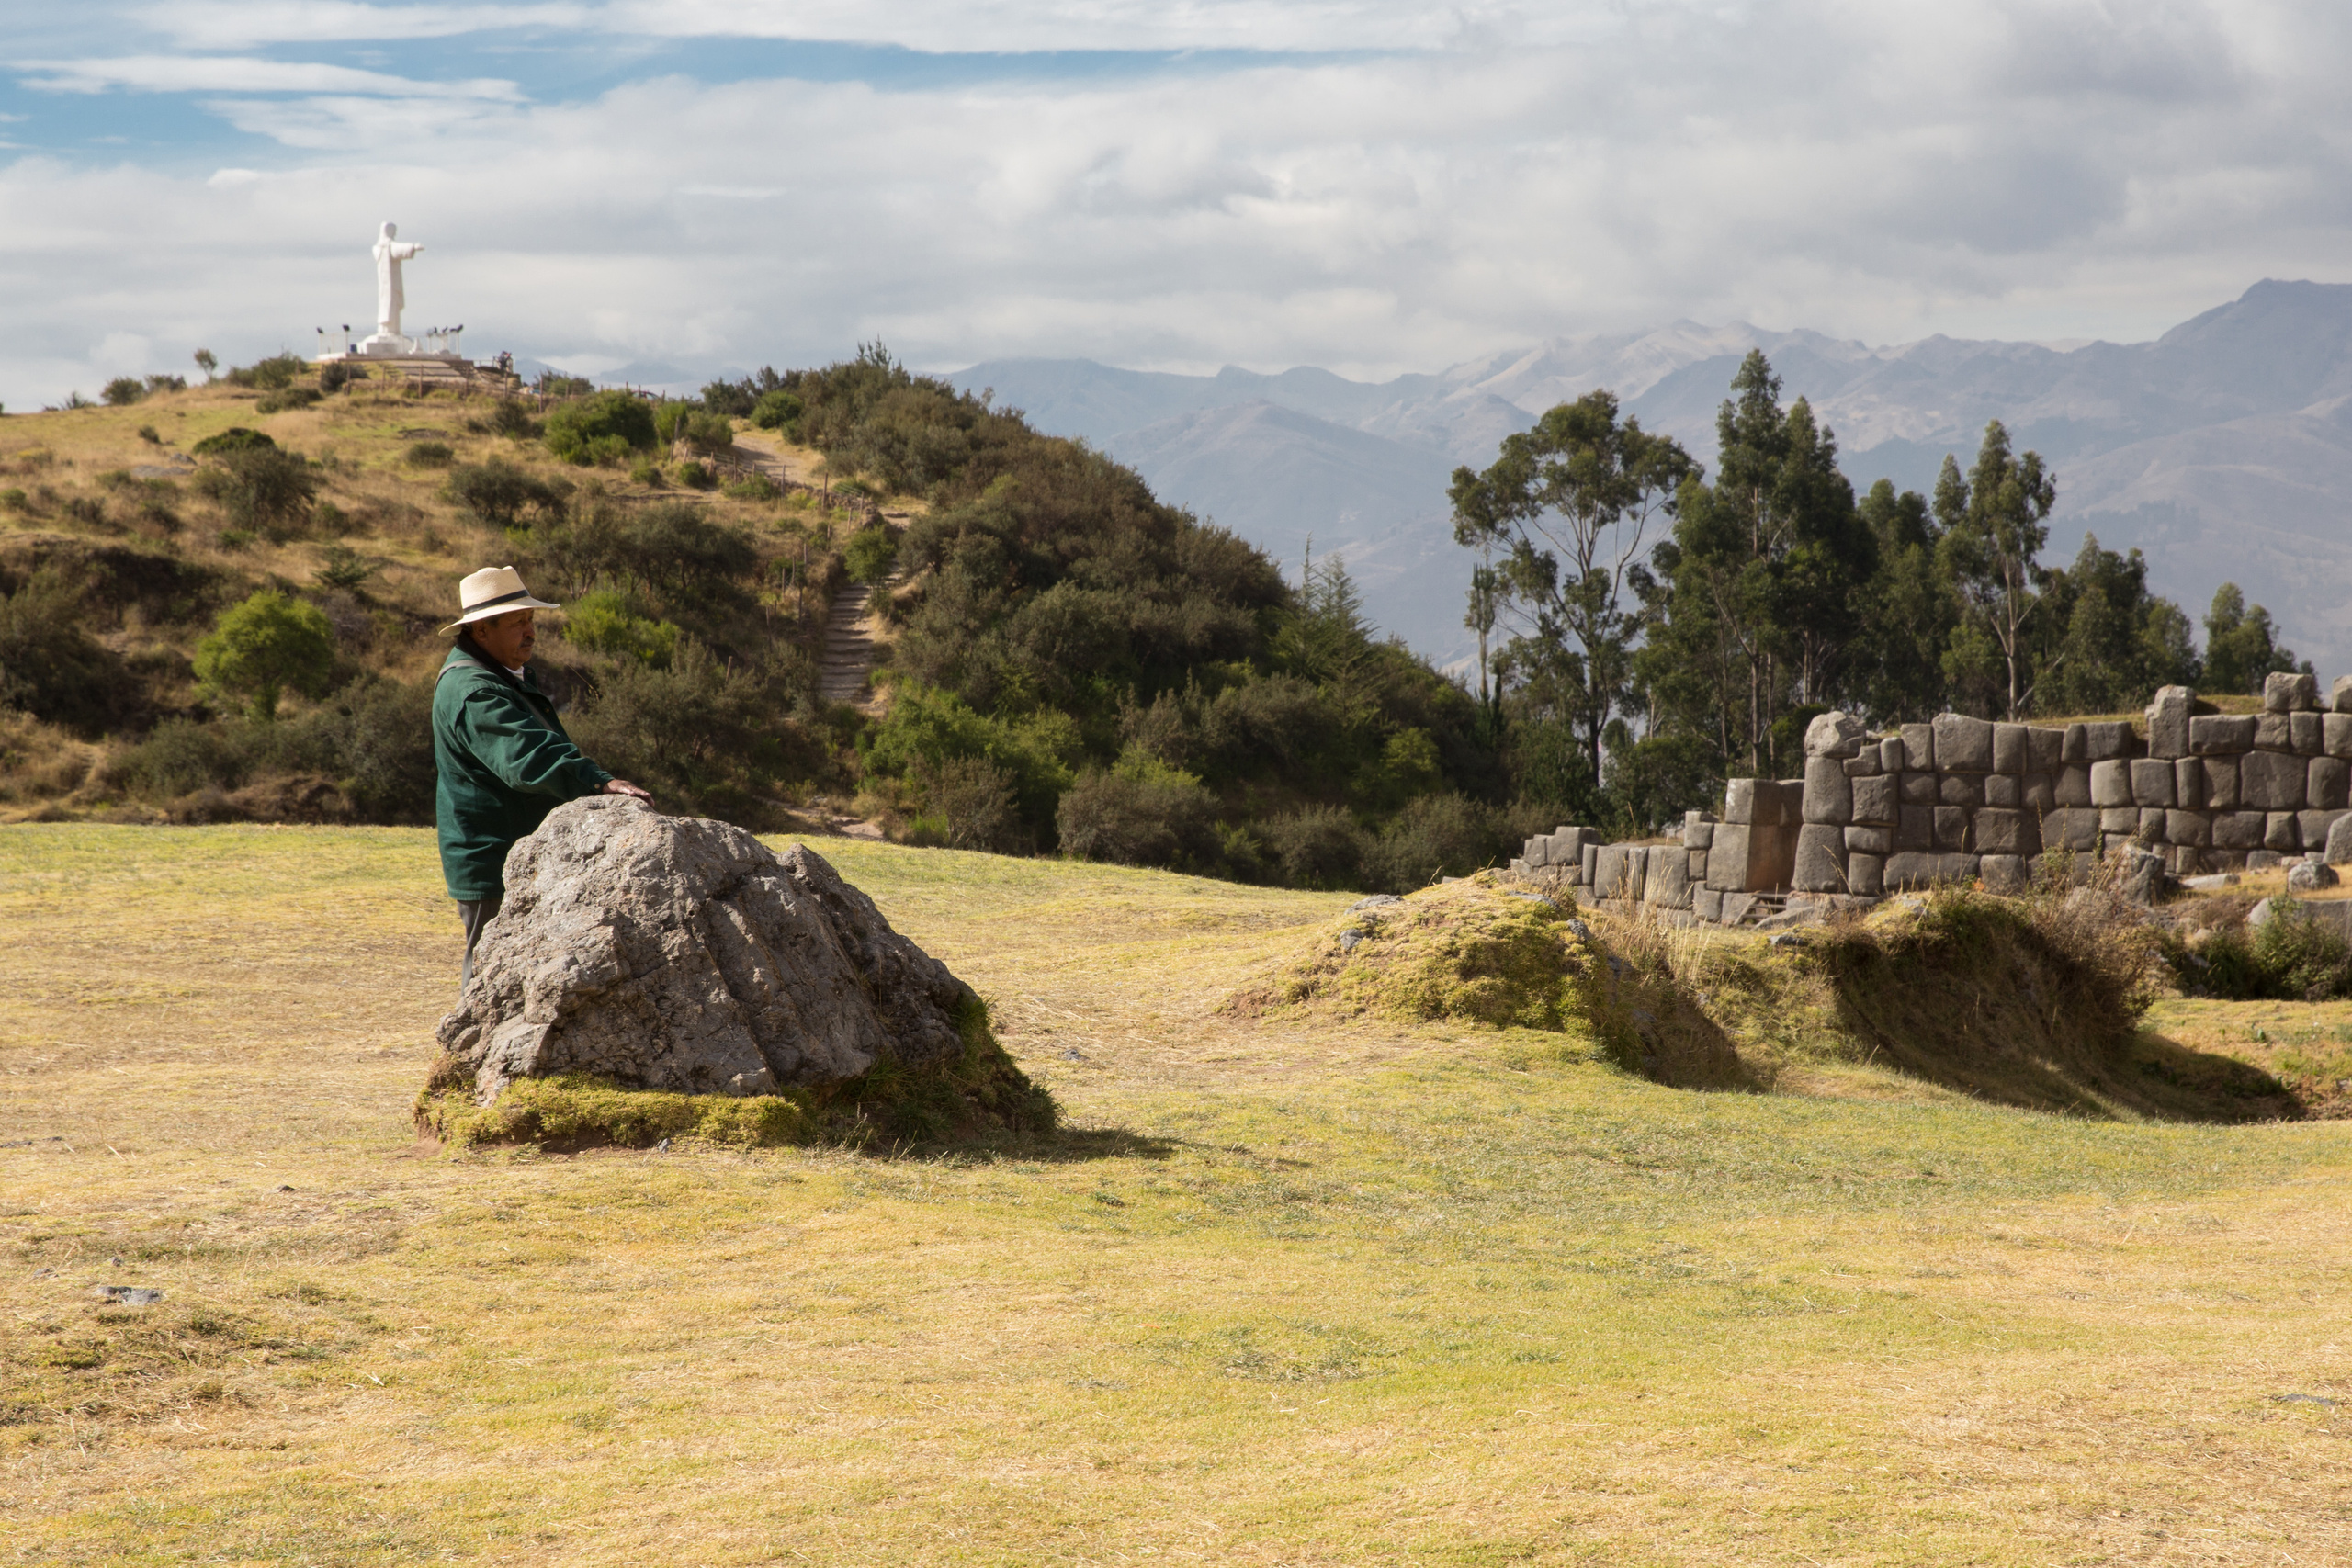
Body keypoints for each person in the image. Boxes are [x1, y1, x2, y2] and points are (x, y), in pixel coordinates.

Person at [434, 566, 651, 988]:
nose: (530, 632)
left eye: (531, 621)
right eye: (518, 623)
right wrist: (597, 781)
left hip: (515, 852)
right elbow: (527, 759)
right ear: (481, 631)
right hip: (492, 859)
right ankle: (469, 1057)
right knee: (490, 982)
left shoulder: (501, 677)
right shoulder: (476, 691)